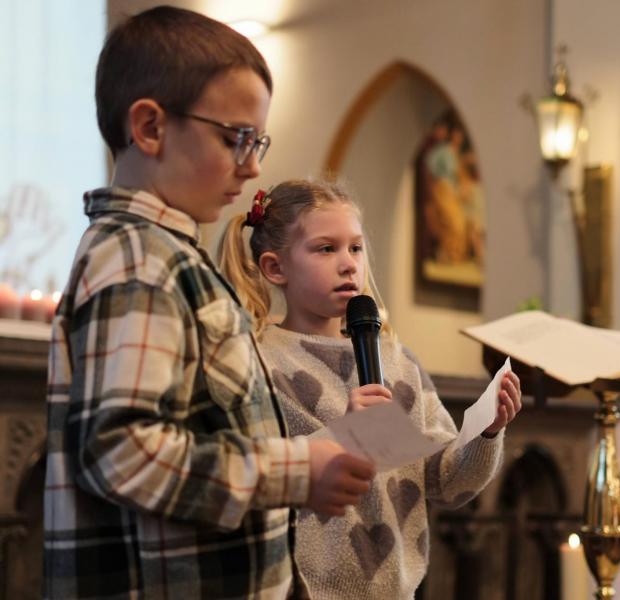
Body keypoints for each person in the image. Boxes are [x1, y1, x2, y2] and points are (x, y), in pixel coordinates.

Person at [43, 7, 374, 599]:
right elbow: (122, 453)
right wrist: (295, 470)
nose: (253, 167)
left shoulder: (162, 254)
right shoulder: (140, 260)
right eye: (236, 139)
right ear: (149, 127)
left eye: (258, 141)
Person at [218, 179, 522, 599]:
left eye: (356, 248)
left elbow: (447, 482)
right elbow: (259, 475)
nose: (348, 264)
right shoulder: (259, 360)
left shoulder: (396, 361)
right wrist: (345, 434)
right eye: (327, 249)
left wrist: (487, 431)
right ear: (275, 268)